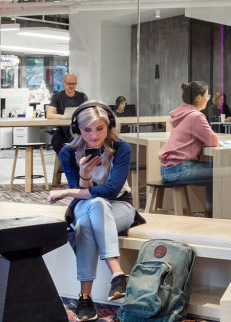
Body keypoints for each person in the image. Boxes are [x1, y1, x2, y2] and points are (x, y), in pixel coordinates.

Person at [48, 101, 143, 322]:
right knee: (94, 208)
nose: (93, 135)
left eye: (99, 128)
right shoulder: (68, 152)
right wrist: (84, 174)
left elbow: (111, 190)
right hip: (87, 204)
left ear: (109, 125)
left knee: (90, 217)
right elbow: (87, 192)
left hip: (121, 205)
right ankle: (117, 274)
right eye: (87, 129)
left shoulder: (121, 148)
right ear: (77, 129)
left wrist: (66, 192)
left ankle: (85, 298)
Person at [158, 82, 219, 209]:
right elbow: (213, 141)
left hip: (166, 169)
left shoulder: (181, 113)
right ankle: (211, 213)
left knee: (215, 170)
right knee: (220, 172)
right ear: (199, 98)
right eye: (207, 96)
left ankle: (210, 211)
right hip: (180, 169)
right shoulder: (196, 116)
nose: (207, 100)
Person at [47, 73, 88, 154]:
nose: (71, 86)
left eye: (74, 84)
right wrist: (64, 116)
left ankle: (72, 163)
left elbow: (87, 112)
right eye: (69, 84)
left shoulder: (82, 96)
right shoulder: (57, 96)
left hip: (77, 130)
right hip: (62, 130)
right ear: (64, 83)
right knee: (55, 142)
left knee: (80, 144)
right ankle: (64, 161)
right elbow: (49, 115)